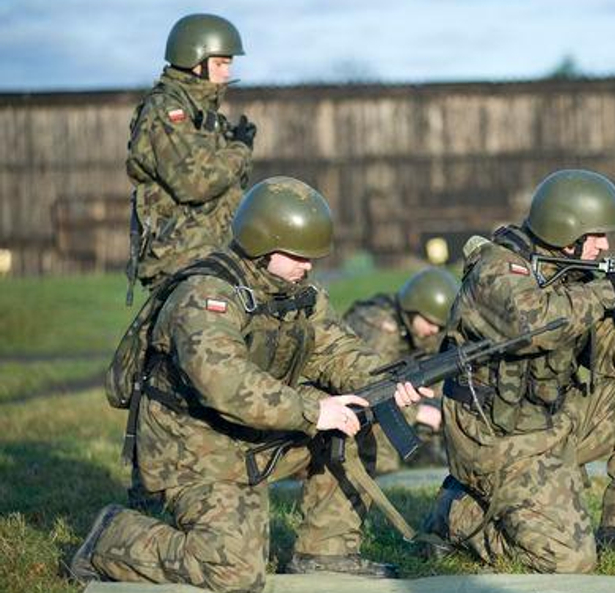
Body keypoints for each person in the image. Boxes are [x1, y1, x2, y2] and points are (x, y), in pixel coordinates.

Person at [70, 177, 432, 591]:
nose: (309, 265)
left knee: (355, 416)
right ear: (262, 243)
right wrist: (314, 411)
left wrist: (389, 384)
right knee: (235, 572)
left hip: (254, 430)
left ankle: (325, 552)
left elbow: (338, 350)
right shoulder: (206, 295)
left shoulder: (299, 292)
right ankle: (111, 538)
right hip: (194, 449)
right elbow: (223, 382)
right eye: (299, 254)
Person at [422, 169, 615, 572]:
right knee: (570, 561)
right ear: (566, 231)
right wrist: (607, 292)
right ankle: (459, 515)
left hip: (550, 422)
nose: (606, 246)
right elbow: (531, 325)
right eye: (598, 236)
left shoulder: (575, 276)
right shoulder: (497, 269)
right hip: (495, 437)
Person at [126, 13, 257, 292]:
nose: (227, 73)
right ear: (194, 62)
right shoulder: (166, 111)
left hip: (211, 253)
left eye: (229, 64)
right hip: (183, 261)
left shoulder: (201, 114)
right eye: (221, 63)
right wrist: (240, 151)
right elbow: (196, 184)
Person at [343, 267, 461, 474]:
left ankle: (426, 453)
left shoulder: (420, 329)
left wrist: (436, 403)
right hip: (353, 402)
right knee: (380, 434)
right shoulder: (380, 327)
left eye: (439, 325)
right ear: (412, 309)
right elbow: (371, 386)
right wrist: (417, 413)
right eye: (430, 322)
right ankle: (380, 475)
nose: (434, 330)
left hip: (397, 392)